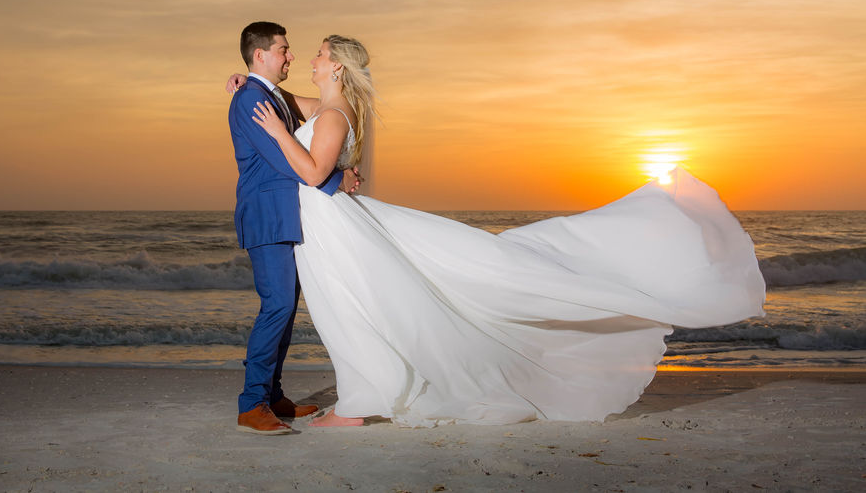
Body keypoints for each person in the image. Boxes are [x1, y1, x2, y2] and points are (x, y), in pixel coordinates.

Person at [237, 34, 766, 428]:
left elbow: (312, 169)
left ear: (337, 65)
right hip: (324, 221)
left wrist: (281, 132)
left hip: (330, 222)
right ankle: (352, 394)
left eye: (318, 53)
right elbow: (289, 107)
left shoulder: (333, 114)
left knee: (354, 306)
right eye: (294, 51)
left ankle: (356, 402)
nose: (306, 58)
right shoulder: (325, 106)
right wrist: (250, 85)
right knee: (352, 306)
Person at [227, 22, 359, 435]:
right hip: (267, 215)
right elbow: (283, 158)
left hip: (287, 216)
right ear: (261, 55)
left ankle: (273, 394)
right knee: (277, 306)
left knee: (285, 309)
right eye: (283, 49)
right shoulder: (252, 98)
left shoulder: (268, 95)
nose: (291, 56)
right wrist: (337, 179)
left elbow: (318, 113)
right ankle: (252, 404)